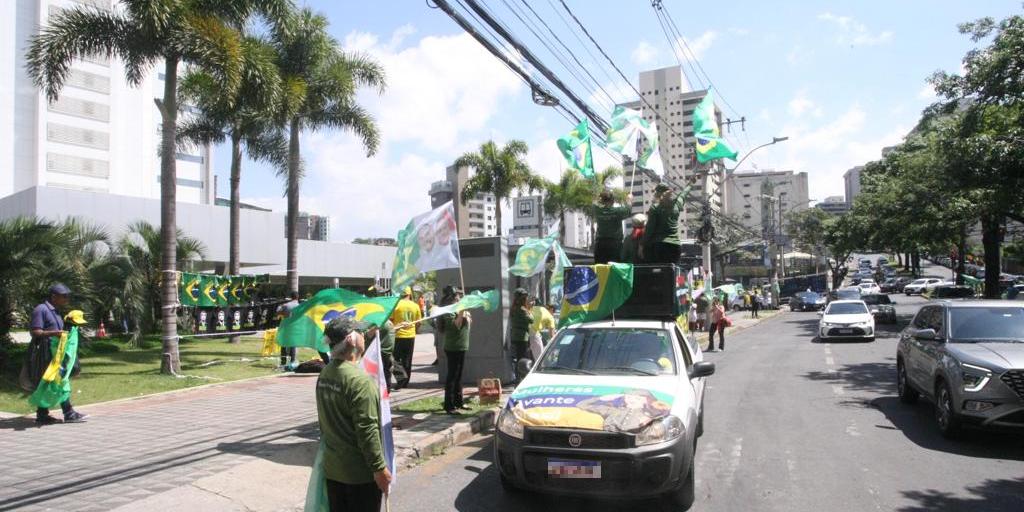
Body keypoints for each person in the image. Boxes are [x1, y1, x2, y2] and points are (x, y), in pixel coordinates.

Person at [315, 317, 392, 511]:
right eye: (361, 332)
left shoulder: (325, 374)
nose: (365, 336)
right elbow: (367, 430)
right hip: (359, 475)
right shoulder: (360, 382)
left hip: (333, 470)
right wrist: (379, 468)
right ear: (352, 340)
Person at [25, 284, 87, 424]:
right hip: (45, 353)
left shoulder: (56, 311)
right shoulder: (41, 309)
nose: (66, 299)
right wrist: (55, 333)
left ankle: (42, 415)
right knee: (58, 381)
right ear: (54, 296)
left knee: (52, 382)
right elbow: (35, 332)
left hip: (56, 353)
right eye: (63, 296)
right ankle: (68, 412)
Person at [642, 182, 692, 265]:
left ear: (658, 194)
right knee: (672, 273)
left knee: (659, 273)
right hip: (675, 246)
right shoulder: (677, 204)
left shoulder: (655, 207)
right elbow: (684, 193)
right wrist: (691, 183)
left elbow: (649, 229)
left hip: (659, 245)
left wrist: (642, 244)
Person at [441, 288, 472, 414]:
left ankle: (459, 402)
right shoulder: (448, 312)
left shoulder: (458, 310)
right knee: (452, 376)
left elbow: (467, 326)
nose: (460, 298)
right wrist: (462, 312)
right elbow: (456, 325)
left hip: (461, 346)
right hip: (452, 347)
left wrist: (467, 315)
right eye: (458, 296)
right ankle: (449, 405)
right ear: (452, 299)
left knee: (459, 376)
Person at [390, 287, 422, 390]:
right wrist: (415, 330)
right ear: (409, 294)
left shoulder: (396, 305)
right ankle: (405, 382)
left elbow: (391, 320)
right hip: (410, 336)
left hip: (398, 335)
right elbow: (419, 322)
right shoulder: (415, 306)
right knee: (407, 360)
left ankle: (400, 379)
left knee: (394, 359)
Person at [592, 190, 632, 264]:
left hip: (600, 245)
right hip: (615, 245)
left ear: (602, 201)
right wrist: (629, 200)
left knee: (601, 268)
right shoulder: (618, 211)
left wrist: (597, 197)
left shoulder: (597, 210)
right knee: (615, 267)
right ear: (613, 201)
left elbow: (594, 202)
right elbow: (628, 210)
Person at [508, 288, 532, 383]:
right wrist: (529, 309)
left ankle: (518, 379)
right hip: (522, 338)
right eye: (525, 298)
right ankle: (521, 380)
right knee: (523, 360)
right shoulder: (522, 309)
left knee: (517, 359)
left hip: (515, 337)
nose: (527, 299)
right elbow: (531, 320)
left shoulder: (513, 308)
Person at [276, 292, 301, 370]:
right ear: (298, 297)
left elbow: (278, 312)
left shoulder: (286, 305)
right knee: (293, 344)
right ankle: (292, 361)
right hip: (295, 327)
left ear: (291, 297)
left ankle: (283, 362)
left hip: (286, 326)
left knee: (283, 344)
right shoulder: (300, 306)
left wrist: (281, 305)